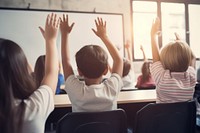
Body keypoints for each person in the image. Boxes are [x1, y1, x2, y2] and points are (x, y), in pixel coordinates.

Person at [0, 13, 59, 133]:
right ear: (20, 71)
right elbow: (52, 73)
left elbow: (51, 73)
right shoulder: (33, 108)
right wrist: (51, 40)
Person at [60, 14, 123, 112]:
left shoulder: (75, 91)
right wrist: (104, 36)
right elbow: (118, 60)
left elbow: (65, 61)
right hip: (107, 128)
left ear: (79, 72)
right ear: (106, 70)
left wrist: (64, 34)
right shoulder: (112, 88)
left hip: (82, 128)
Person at [150, 17, 196, 103]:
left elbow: (156, 60)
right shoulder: (191, 77)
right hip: (186, 117)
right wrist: (181, 44)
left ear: (163, 62)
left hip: (163, 116)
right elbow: (192, 57)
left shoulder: (162, 79)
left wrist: (153, 35)